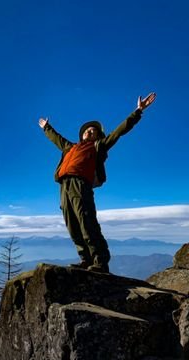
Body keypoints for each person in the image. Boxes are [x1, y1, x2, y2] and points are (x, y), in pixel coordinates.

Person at [38, 93, 156, 273]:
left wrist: (138, 111)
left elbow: (119, 131)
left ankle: (100, 261)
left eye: (93, 131)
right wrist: (47, 127)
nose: (89, 131)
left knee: (86, 221)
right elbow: (57, 139)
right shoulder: (71, 147)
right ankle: (85, 259)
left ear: (98, 135)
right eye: (87, 130)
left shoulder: (97, 146)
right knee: (72, 224)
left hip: (80, 185)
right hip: (64, 186)